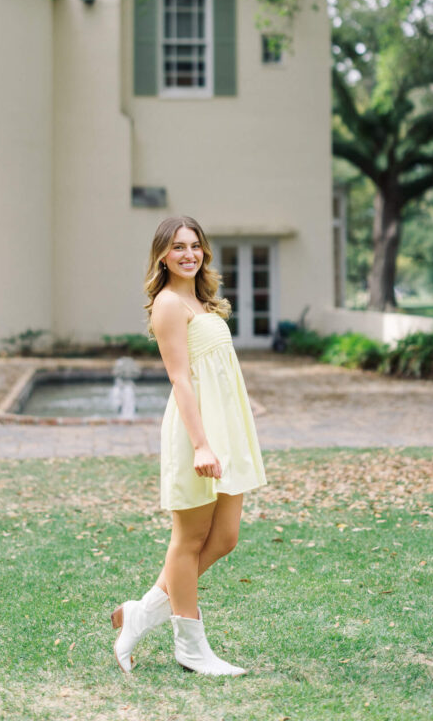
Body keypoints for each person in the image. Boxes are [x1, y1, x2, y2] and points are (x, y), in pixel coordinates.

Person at [112, 215, 267, 676]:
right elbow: (180, 378)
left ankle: (139, 614)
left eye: (195, 246)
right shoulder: (167, 305)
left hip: (226, 427)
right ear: (163, 254)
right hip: (195, 432)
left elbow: (217, 368)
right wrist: (202, 445)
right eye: (178, 247)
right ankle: (191, 647)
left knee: (225, 538)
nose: (188, 254)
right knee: (190, 539)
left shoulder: (201, 302)